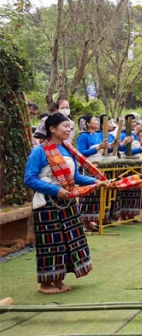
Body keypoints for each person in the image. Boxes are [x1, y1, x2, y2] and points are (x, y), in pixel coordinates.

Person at [23, 113, 105, 294]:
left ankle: (59, 280)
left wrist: (95, 181)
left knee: (68, 241)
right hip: (48, 204)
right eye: (65, 126)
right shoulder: (39, 151)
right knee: (51, 243)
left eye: (69, 127)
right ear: (52, 129)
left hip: (68, 202)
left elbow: (75, 177)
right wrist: (56, 190)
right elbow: (29, 179)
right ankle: (45, 284)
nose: (69, 130)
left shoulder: (69, 149)